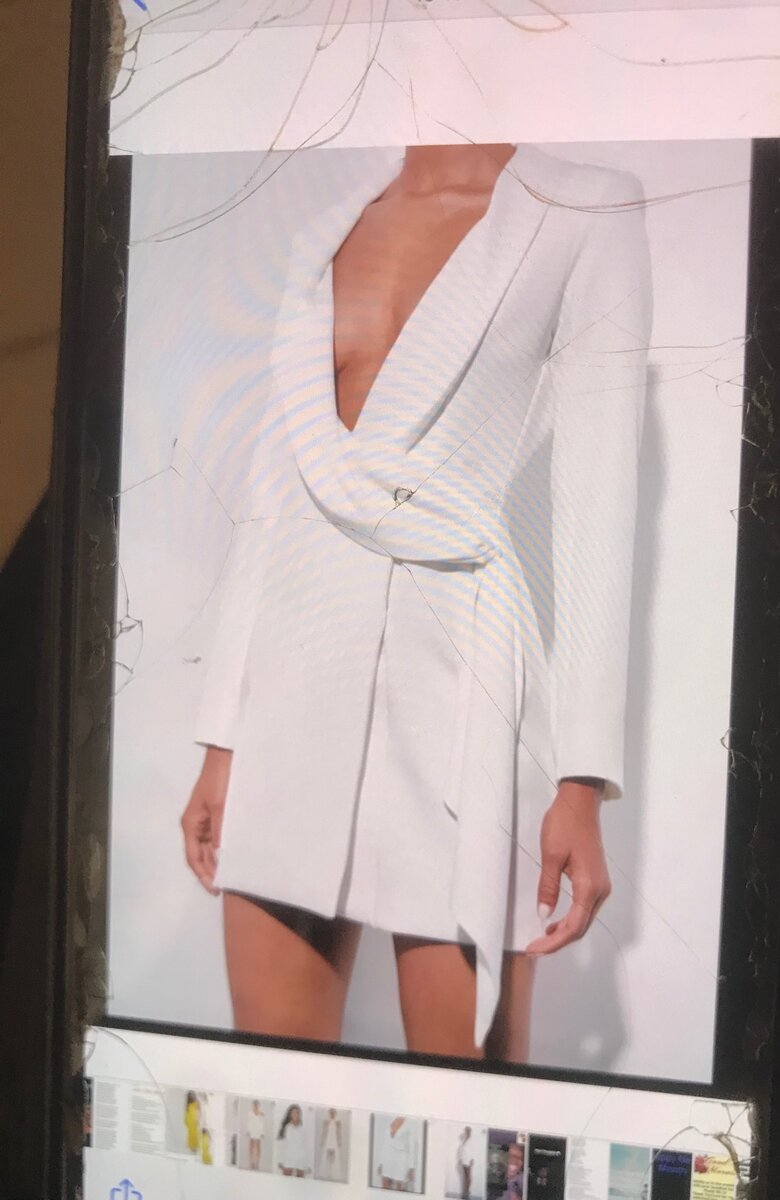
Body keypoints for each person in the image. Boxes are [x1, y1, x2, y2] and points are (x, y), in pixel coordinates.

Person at [181, 141, 652, 1060]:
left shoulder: (585, 209)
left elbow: (601, 505)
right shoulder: (328, 229)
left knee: (472, 1115)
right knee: (275, 1102)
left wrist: (582, 781)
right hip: (292, 692)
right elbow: (273, 497)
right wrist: (223, 739)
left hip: (462, 696)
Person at [378, 1115, 417, 1191]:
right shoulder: (391, 1117)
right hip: (387, 1158)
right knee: (385, 1187)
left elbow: (412, 1147)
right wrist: (381, 1162)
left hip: (401, 1160)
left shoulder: (410, 1122)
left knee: (400, 1189)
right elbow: (385, 1143)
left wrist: (411, 1168)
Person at [277, 1104, 311, 1177]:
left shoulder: (303, 1129)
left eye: (297, 1113)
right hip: (288, 1158)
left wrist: (308, 1165)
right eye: (293, 1113)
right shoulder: (286, 1128)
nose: (296, 1115)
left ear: (300, 1114)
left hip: (300, 1159)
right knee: (285, 1181)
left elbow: (306, 1146)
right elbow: (282, 1145)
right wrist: (280, 1161)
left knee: (300, 1182)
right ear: (290, 1115)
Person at [319, 1107, 343, 1180]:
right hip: (327, 1141)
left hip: (334, 1141)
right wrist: (322, 1141)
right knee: (326, 1156)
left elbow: (339, 1132)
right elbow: (324, 1132)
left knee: (334, 1157)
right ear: (329, 1113)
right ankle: (325, 1173)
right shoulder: (326, 1122)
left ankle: (335, 1174)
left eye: (333, 1113)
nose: (332, 1114)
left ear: (335, 1114)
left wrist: (339, 1141)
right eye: (331, 1113)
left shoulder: (338, 1122)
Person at [246, 1099, 265, 1171]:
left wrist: (263, 1133)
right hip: (252, 1131)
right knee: (251, 1147)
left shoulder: (261, 1114)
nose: (256, 1106)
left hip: (258, 1131)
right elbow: (248, 1122)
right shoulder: (250, 1113)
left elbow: (263, 1124)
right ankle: (251, 1163)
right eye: (254, 1105)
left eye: (257, 1105)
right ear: (253, 1105)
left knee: (258, 1148)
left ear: (259, 1106)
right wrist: (248, 1131)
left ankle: (257, 1163)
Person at [457, 1126, 475, 1199]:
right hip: (464, 1159)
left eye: (466, 1131)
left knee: (468, 1176)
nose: (465, 1132)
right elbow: (463, 1150)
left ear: (469, 1131)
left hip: (468, 1159)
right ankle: (465, 1191)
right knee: (465, 1176)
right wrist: (460, 1159)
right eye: (465, 1131)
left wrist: (472, 1159)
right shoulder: (464, 1140)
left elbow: (472, 1150)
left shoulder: (471, 1140)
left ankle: (467, 1192)